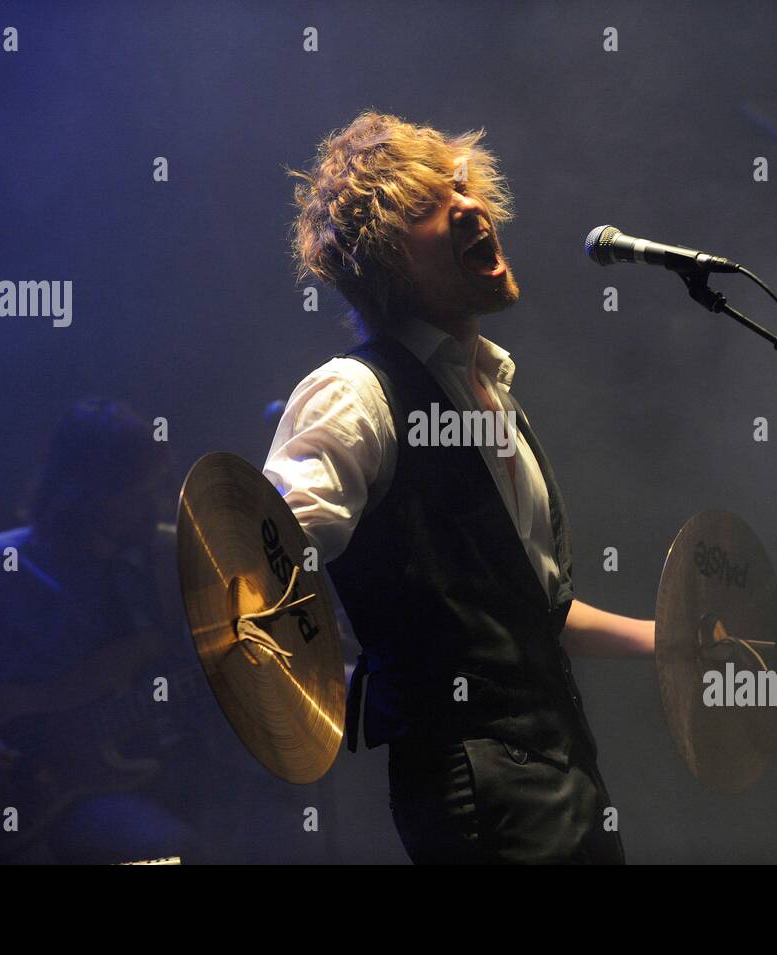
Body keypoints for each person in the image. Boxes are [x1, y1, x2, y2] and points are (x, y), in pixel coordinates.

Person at [265, 111, 655, 864]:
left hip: (562, 767)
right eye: (428, 207)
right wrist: (346, 686)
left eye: (461, 185)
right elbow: (264, 556)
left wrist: (668, 643)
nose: (470, 205)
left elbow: (531, 610)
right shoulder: (355, 392)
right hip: (480, 782)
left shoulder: (491, 391)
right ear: (380, 259)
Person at [0, 398, 206, 863]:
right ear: (89, 489)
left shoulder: (168, 555)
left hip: (175, 761)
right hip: (61, 792)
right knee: (174, 850)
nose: (152, 505)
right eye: (139, 491)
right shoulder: (3, 562)